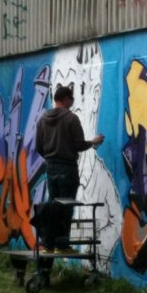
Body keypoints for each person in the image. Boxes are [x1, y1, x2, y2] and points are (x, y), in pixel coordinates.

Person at [35, 83, 103, 251]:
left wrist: (51, 158)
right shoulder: (71, 118)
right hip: (68, 168)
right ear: (66, 99)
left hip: (51, 168)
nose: (72, 102)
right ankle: (62, 245)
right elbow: (79, 145)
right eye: (71, 98)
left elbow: (39, 147)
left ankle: (49, 243)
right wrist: (93, 142)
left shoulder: (43, 120)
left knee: (53, 205)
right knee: (66, 206)